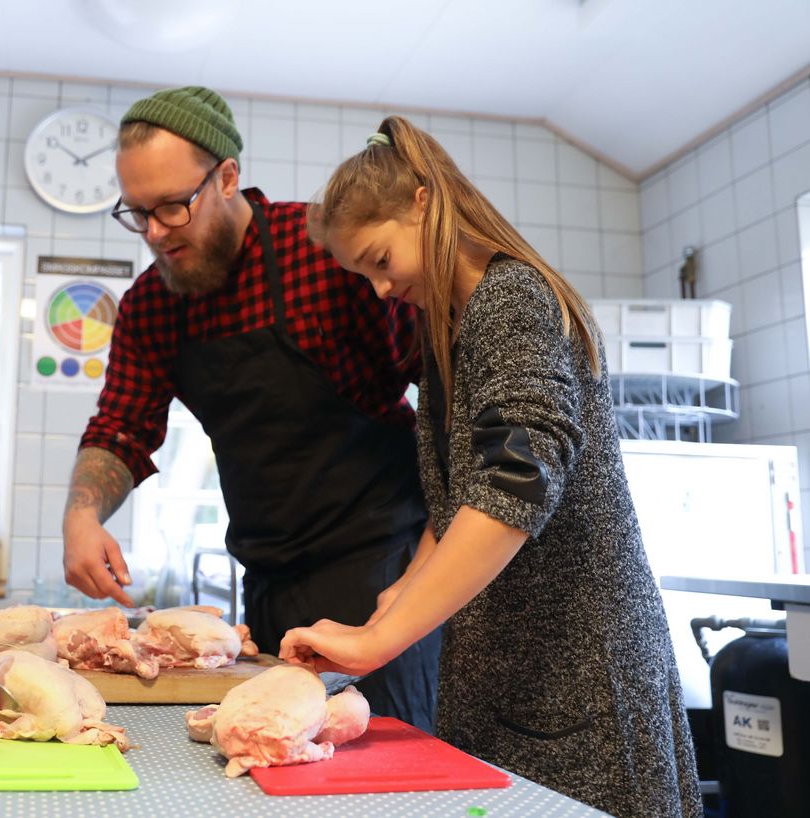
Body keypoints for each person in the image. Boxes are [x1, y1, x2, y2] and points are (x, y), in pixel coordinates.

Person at [280, 118, 701, 817]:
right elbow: (463, 501)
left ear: (423, 203)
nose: (381, 290)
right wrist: (404, 596)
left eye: (381, 261)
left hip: (576, 678)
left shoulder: (512, 299)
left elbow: (519, 473)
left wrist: (385, 638)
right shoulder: (452, 325)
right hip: (514, 676)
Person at [60, 86, 440, 728]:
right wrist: (82, 513)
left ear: (227, 177)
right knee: (271, 752)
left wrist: (441, 547)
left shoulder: (325, 251)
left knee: (374, 768)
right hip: (267, 578)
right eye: (138, 213)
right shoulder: (152, 307)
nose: (155, 233)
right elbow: (122, 426)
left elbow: (439, 387)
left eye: (173, 207)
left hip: (380, 568)